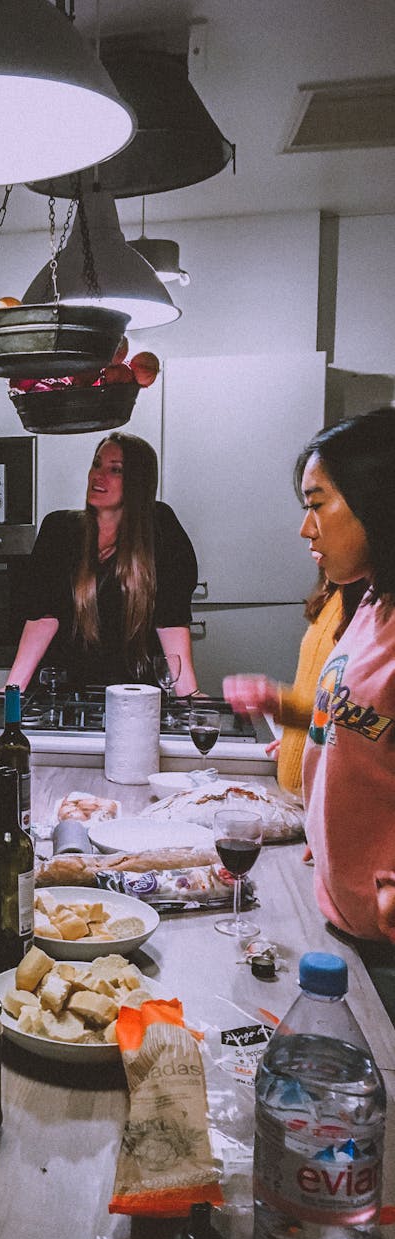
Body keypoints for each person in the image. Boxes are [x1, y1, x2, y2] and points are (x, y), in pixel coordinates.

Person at [293, 411, 395, 978]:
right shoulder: (374, 603)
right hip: (344, 921)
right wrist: (328, 833)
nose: (306, 529)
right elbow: (359, 725)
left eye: (317, 504)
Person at [7, 432, 200, 695]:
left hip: (137, 695)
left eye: (116, 470)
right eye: (97, 464)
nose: (99, 476)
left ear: (137, 483)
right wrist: (11, 691)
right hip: (66, 693)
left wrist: (189, 697)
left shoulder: (160, 529)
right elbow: (43, 618)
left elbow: (171, 621)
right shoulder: (59, 530)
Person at [223, 571, 367, 796]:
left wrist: (281, 704)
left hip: (335, 803)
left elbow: (372, 723)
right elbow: (325, 695)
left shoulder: (378, 609)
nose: (306, 534)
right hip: (300, 797)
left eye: (322, 532)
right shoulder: (335, 592)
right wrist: (297, 743)